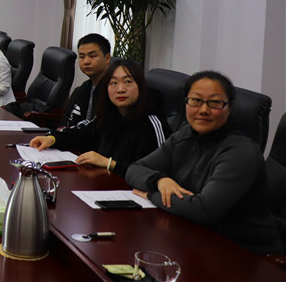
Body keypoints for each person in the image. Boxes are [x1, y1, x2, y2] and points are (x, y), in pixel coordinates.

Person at [127, 71, 284, 255]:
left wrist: (151, 194)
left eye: (215, 102)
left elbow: (203, 210)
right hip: (197, 238)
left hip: (246, 253)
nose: (203, 110)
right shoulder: (185, 136)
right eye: (196, 100)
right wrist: (160, 181)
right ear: (186, 103)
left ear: (229, 108)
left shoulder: (241, 152)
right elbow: (135, 169)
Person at [29, 60, 169, 178]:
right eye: (113, 83)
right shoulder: (110, 114)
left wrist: (109, 164)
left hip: (134, 195)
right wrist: (53, 139)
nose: (120, 89)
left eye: (128, 82)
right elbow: (81, 134)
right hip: (105, 183)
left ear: (141, 86)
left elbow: (155, 173)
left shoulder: (152, 124)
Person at [60, 34, 112, 129]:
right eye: (82, 57)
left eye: (92, 56)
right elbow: (67, 123)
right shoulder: (81, 90)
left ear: (107, 58)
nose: (86, 61)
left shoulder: (114, 92)